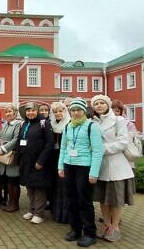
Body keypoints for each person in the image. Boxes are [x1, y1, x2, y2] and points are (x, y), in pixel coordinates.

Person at [58, 98, 103, 247]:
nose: (76, 113)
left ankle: (90, 233)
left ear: (84, 111)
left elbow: (98, 151)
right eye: (73, 110)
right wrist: (61, 167)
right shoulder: (68, 126)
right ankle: (75, 229)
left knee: (84, 200)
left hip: (85, 167)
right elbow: (63, 147)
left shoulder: (92, 126)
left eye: (78, 110)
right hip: (69, 165)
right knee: (71, 199)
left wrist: (94, 173)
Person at [91, 94, 135, 242]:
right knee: (103, 199)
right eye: (96, 103)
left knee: (116, 200)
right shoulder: (93, 122)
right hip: (100, 166)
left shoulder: (118, 120)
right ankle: (106, 224)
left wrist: (101, 148)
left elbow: (123, 142)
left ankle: (115, 227)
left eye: (102, 102)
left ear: (108, 105)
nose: (99, 105)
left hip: (117, 166)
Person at [18, 102, 54, 224]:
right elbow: (20, 140)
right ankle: (32, 210)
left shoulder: (44, 123)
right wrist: (19, 157)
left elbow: (50, 143)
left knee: (39, 188)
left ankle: (39, 213)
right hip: (26, 161)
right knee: (30, 186)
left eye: (33, 110)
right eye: (28, 111)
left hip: (38, 161)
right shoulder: (25, 123)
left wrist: (41, 160)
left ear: (37, 111)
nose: (30, 113)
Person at [0, 104, 22, 212]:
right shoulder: (5, 124)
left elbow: (16, 139)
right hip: (4, 157)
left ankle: (15, 204)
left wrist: (4, 148)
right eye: (6, 112)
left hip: (12, 156)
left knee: (14, 181)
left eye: (10, 111)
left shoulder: (18, 124)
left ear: (15, 113)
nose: (8, 114)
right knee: (8, 181)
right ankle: (10, 202)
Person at [49, 102, 71, 223]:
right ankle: (56, 213)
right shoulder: (52, 125)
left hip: (65, 158)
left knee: (64, 186)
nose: (58, 114)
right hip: (54, 158)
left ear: (64, 112)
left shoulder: (69, 124)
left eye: (60, 111)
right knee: (56, 185)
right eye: (55, 112)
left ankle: (66, 215)